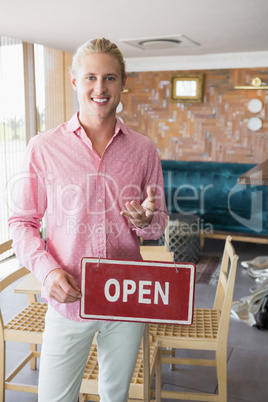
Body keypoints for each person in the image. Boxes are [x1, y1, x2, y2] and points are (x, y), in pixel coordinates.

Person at [8, 37, 168, 402]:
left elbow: (159, 223)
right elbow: (22, 221)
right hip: (68, 301)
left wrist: (147, 223)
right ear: (74, 80)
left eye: (110, 78)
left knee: (116, 396)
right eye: (91, 77)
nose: (100, 88)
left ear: (123, 82)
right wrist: (47, 271)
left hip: (127, 298)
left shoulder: (143, 149)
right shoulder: (44, 147)